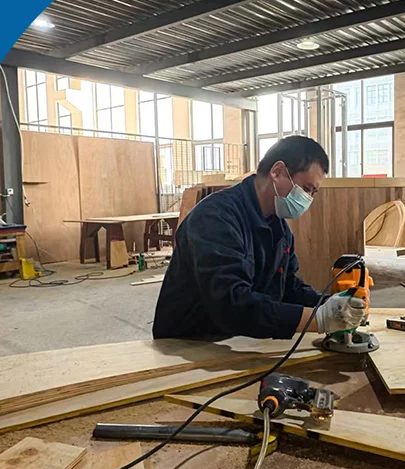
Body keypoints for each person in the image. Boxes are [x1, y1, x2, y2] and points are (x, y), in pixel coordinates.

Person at [152, 136, 366, 341]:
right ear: (278, 171)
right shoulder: (215, 218)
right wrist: (319, 319)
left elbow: (288, 288)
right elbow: (231, 304)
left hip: (236, 339)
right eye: (306, 189)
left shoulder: (279, 229)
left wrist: (333, 305)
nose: (308, 199)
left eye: (313, 193)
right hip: (188, 343)